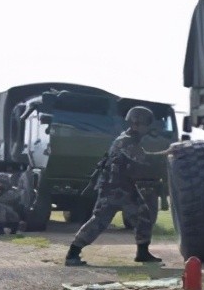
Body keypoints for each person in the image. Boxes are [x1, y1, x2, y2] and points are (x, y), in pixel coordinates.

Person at [64, 107, 160, 266]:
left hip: (125, 187)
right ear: (137, 123)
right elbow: (143, 159)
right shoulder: (125, 141)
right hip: (113, 188)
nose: (147, 128)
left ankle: (142, 253)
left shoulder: (131, 139)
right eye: (146, 124)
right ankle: (73, 253)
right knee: (99, 220)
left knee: (143, 216)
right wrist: (169, 153)